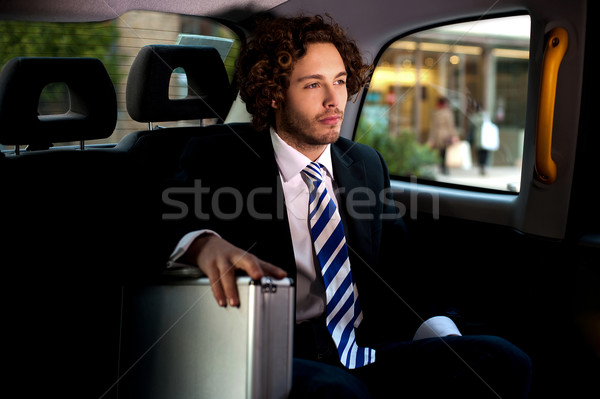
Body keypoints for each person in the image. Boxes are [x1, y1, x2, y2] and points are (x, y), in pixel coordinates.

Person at [166, 15, 531, 398]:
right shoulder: (218, 156)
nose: (334, 100)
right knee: (339, 392)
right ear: (274, 94)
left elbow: (403, 271)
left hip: (366, 347)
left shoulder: (366, 164)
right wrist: (203, 243)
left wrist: (442, 341)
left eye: (339, 81)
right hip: (277, 351)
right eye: (313, 85)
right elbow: (160, 223)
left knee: (502, 360)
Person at [428, 96, 458, 174]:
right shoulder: (447, 113)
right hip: (445, 135)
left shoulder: (436, 112)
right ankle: (443, 167)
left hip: (439, 135)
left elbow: (433, 127)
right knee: (443, 152)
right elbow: (450, 126)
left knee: (441, 152)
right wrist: (454, 135)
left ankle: (442, 167)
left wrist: (432, 138)